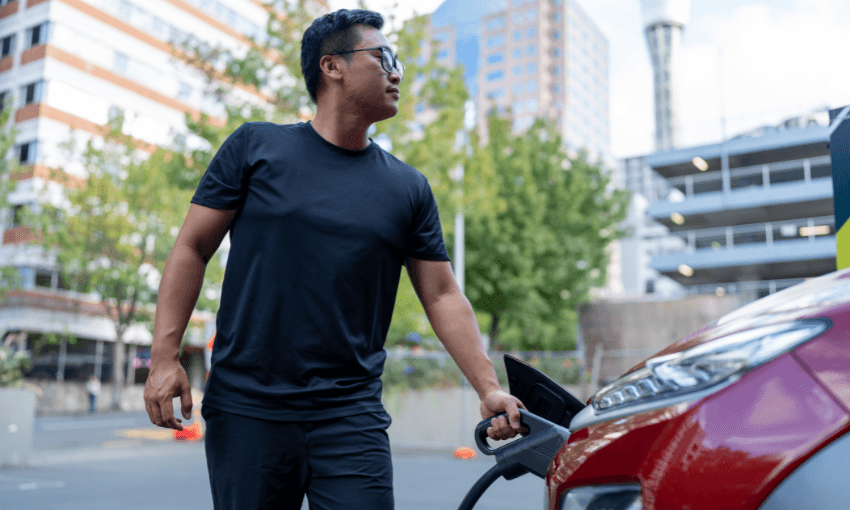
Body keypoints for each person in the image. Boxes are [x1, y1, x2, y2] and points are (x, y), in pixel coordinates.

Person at [143, 9, 525, 510]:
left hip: (350, 414)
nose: (396, 73)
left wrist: (488, 388)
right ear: (332, 66)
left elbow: (441, 294)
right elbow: (192, 247)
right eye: (384, 57)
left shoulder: (408, 187)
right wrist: (164, 357)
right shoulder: (255, 147)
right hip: (248, 409)